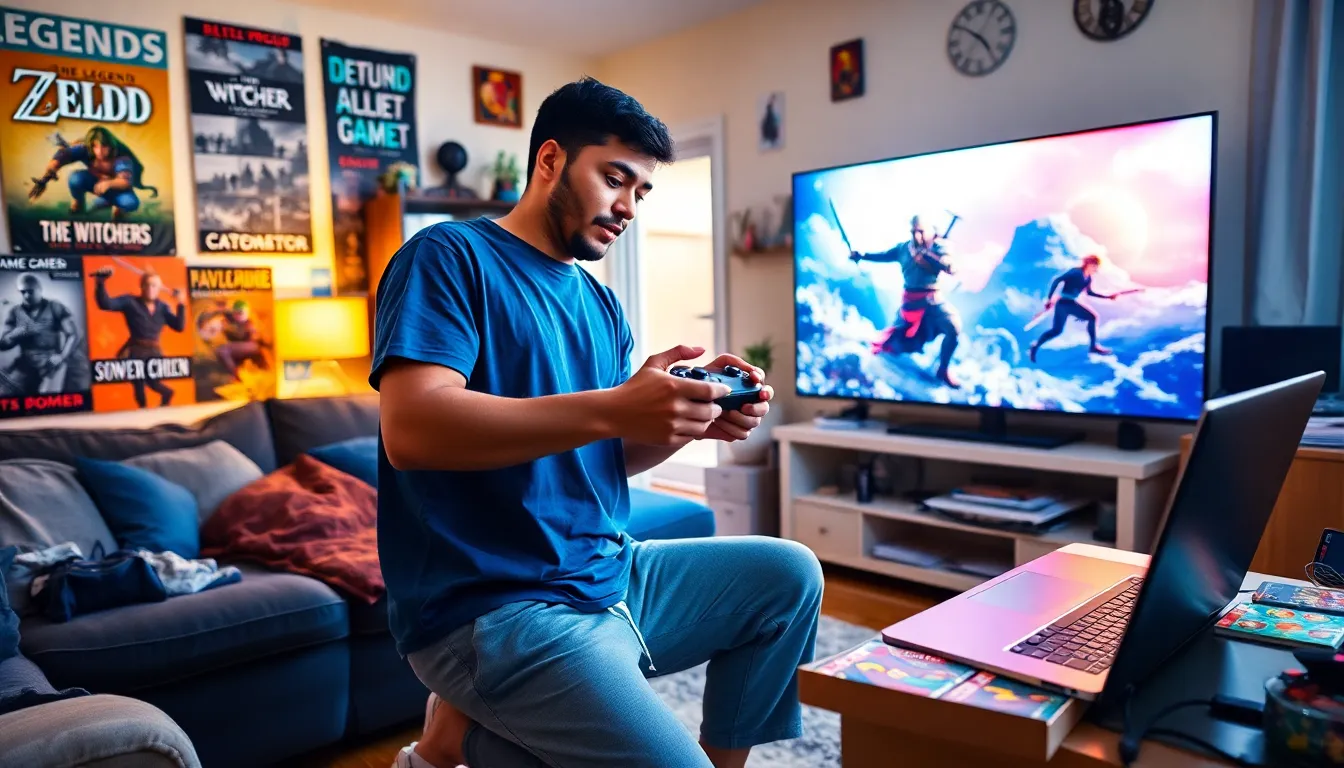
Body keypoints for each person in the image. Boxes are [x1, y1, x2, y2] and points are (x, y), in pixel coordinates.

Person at [376, 77, 823, 768]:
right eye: (614, 178)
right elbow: (412, 431)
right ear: (550, 161)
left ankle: (465, 735)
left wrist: (680, 422)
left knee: (788, 574)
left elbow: (601, 455)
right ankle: (465, 733)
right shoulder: (449, 257)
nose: (628, 207)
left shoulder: (601, 305)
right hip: (495, 608)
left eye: (642, 192)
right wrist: (617, 405)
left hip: (607, 575)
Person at [850, 213, 962, 388]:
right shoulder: (904, 249)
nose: (917, 236)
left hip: (933, 300)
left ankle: (943, 369)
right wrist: (862, 255)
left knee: (953, 327)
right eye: (914, 231)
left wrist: (933, 258)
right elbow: (885, 255)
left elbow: (949, 265)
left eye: (921, 231)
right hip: (911, 302)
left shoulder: (938, 247)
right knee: (897, 340)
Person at [93, 266, 185, 408]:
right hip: (135, 349)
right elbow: (106, 304)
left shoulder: (163, 307)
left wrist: (180, 304)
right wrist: (100, 282)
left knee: (154, 383)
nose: (150, 288)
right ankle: (143, 413)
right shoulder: (130, 301)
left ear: (159, 288)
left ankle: (166, 399)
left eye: (154, 285)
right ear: (141, 286)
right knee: (139, 385)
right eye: (147, 285)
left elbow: (179, 327)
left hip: (154, 351)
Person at [28, 126, 158, 220]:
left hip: (118, 189)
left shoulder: (121, 156)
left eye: (104, 146)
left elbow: (124, 182)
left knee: (130, 203)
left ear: (111, 146)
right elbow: (64, 155)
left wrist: (110, 183)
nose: (100, 151)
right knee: (75, 178)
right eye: (96, 146)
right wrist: (48, 174)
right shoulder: (85, 149)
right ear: (91, 145)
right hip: (94, 183)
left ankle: (115, 207)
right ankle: (78, 204)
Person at [0, 273, 82, 395]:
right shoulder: (15, 312)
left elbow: (74, 334)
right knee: (6, 393)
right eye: (23, 292)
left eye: (30, 291)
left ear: (39, 290)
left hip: (51, 362)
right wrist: (15, 333)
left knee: (49, 398)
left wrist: (61, 356)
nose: (27, 295)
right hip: (25, 363)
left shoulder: (55, 307)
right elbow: (3, 344)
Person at [1028, 254, 1118, 362]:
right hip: (1064, 303)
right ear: (1088, 264)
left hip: (1067, 304)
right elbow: (1057, 280)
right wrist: (1049, 299)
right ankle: (1093, 347)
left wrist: (1107, 297)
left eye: (1097, 267)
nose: (1095, 269)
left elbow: (1089, 293)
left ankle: (1035, 346)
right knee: (1092, 317)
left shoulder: (1088, 278)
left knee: (1056, 331)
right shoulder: (1076, 272)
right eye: (1094, 266)